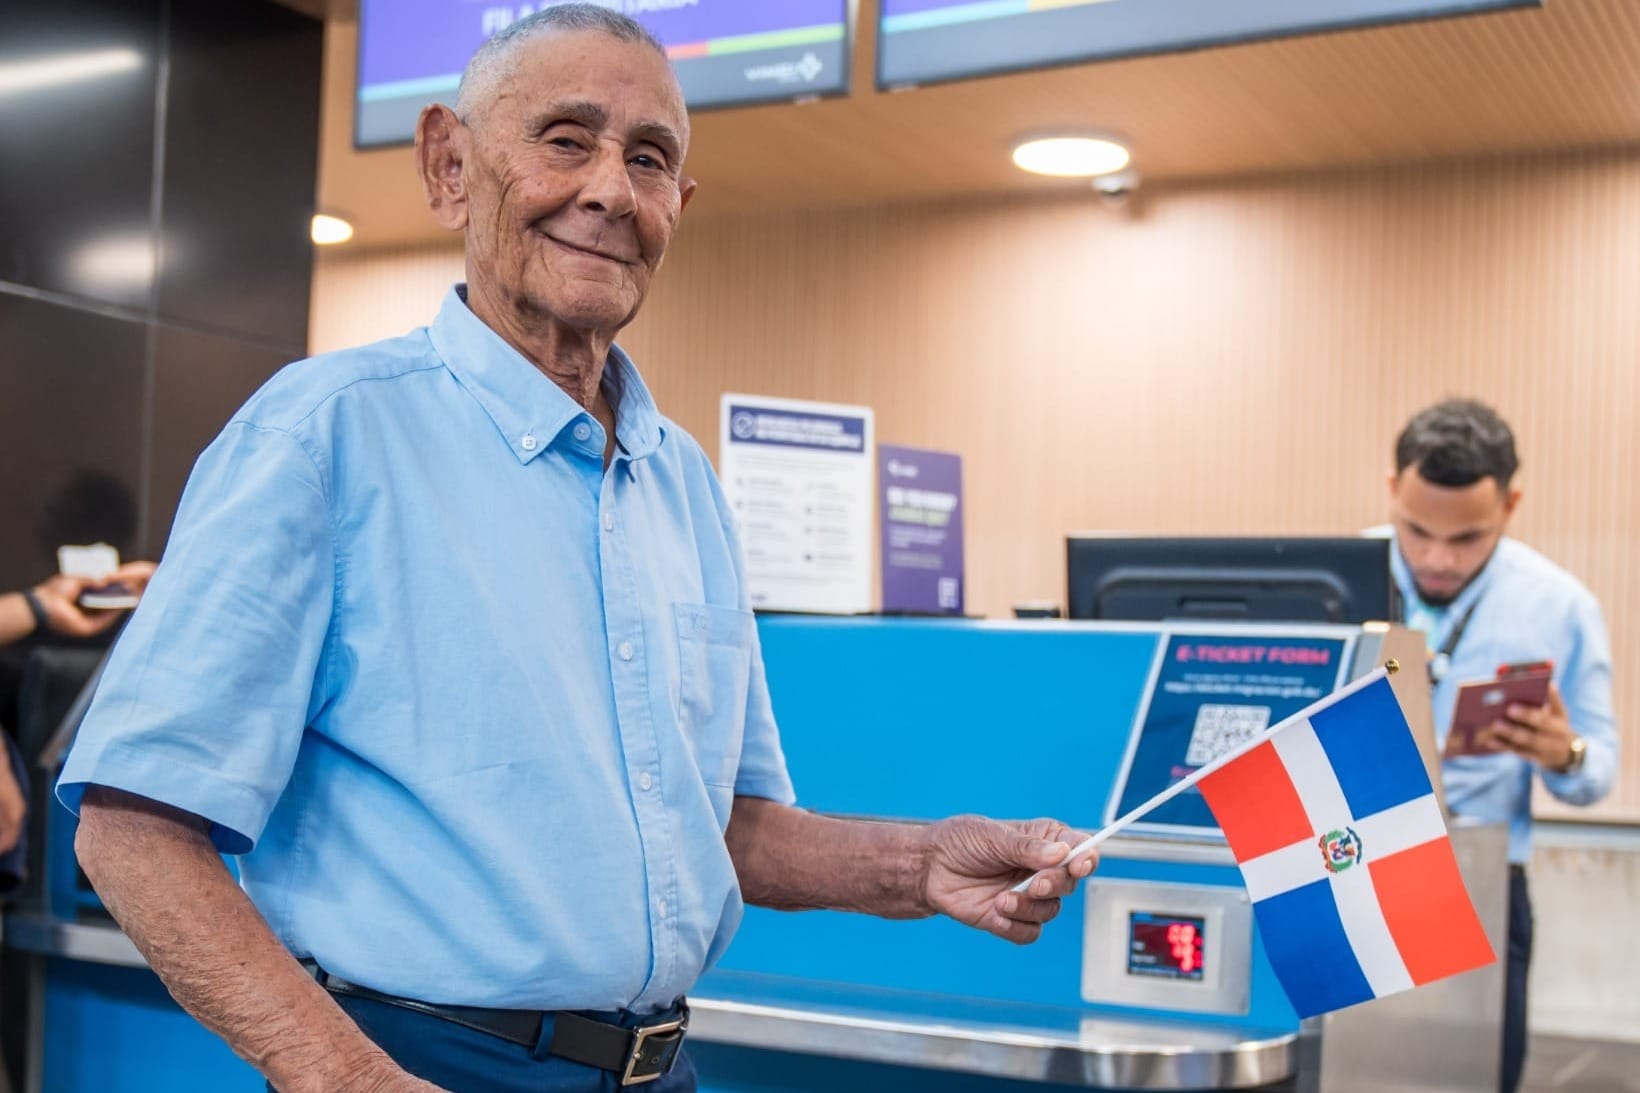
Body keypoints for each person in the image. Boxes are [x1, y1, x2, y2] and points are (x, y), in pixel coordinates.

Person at [56, 9, 1097, 1093]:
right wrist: (353, 1080)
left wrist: (921, 863)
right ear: (449, 166)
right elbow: (134, 828)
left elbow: (727, 829)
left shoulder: (682, 483)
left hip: (655, 1069)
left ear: (676, 206)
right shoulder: (324, 435)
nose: (610, 190)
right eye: (565, 139)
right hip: (410, 1060)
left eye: (648, 159)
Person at [1381, 398, 1617, 1093]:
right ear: (1393, 490)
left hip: (1483, 880)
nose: (1437, 558)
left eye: (1467, 538)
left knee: (1476, 1075)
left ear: (1511, 505)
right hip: (1352, 864)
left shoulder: (1559, 605)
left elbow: (1598, 766)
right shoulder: (1334, 580)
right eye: (1417, 530)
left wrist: (1565, 753)